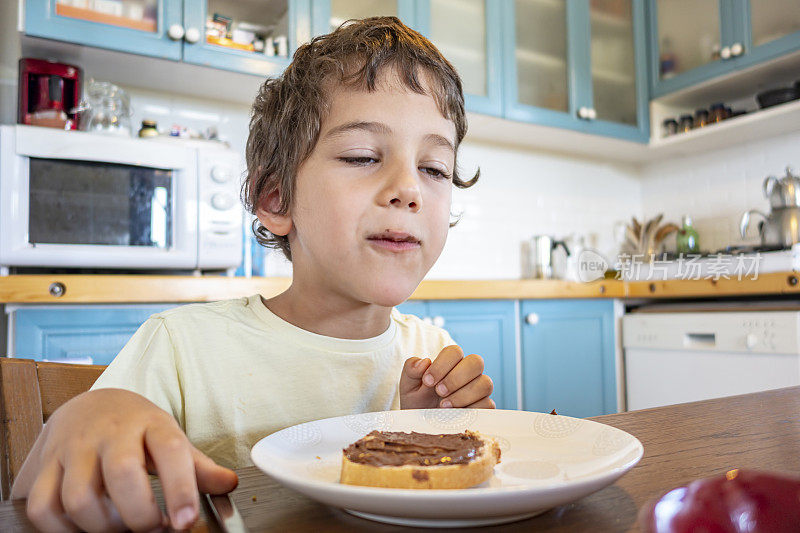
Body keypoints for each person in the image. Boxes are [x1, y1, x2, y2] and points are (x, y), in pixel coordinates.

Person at [12, 16, 492, 532]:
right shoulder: (182, 346)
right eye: (362, 156)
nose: (409, 189)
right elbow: (32, 496)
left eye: (435, 169)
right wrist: (83, 417)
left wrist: (426, 428)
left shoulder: (431, 350)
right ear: (277, 199)